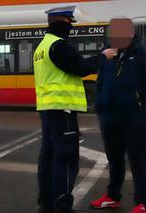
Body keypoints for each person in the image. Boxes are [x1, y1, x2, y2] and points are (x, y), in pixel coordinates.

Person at [33, 5, 117, 213]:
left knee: (48, 157)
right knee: (66, 157)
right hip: (63, 110)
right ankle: (62, 205)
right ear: (61, 21)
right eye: (69, 23)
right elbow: (81, 68)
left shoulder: (41, 46)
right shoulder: (59, 45)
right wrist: (103, 56)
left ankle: (46, 202)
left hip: (48, 108)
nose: (71, 27)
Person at [90, 18, 146, 213]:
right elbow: (100, 83)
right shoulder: (107, 55)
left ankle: (142, 202)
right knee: (114, 159)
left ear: (131, 34)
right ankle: (113, 196)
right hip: (109, 116)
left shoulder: (141, 54)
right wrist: (100, 107)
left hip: (134, 117)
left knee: (138, 160)